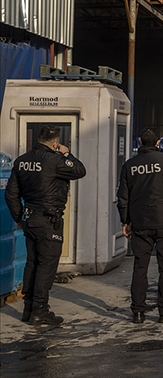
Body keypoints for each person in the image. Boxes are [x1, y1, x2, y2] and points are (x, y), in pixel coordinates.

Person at [4, 126, 86, 325]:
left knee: (32, 264)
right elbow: (79, 170)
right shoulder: (56, 160)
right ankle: (40, 311)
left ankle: (29, 309)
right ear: (55, 143)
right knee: (46, 267)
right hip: (49, 221)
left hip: (30, 219)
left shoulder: (21, 161)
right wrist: (67, 154)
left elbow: (11, 194)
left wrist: (19, 218)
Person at [117, 128, 163, 324]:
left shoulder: (129, 165)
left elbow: (123, 197)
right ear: (158, 142)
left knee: (140, 267)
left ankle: (138, 312)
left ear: (140, 141)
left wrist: (125, 222)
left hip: (140, 222)